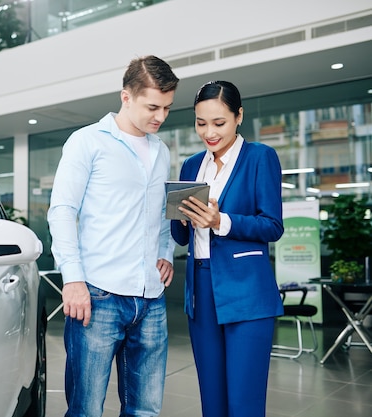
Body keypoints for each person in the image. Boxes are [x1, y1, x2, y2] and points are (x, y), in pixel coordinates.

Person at [47, 55, 179, 417]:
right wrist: (72, 279)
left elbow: (160, 213)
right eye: (153, 107)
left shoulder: (161, 151)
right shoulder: (87, 142)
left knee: (145, 409)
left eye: (167, 108)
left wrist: (165, 250)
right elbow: (62, 211)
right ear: (126, 96)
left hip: (150, 299)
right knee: (86, 409)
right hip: (98, 293)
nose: (161, 117)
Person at [170, 80, 284, 417]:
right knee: (212, 399)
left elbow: (272, 226)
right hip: (200, 290)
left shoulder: (260, 157)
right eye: (201, 123)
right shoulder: (192, 165)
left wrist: (221, 221)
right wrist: (183, 218)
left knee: (243, 402)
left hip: (247, 289)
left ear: (238, 116)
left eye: (218, 123)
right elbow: (181, 236)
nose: (209, 132)